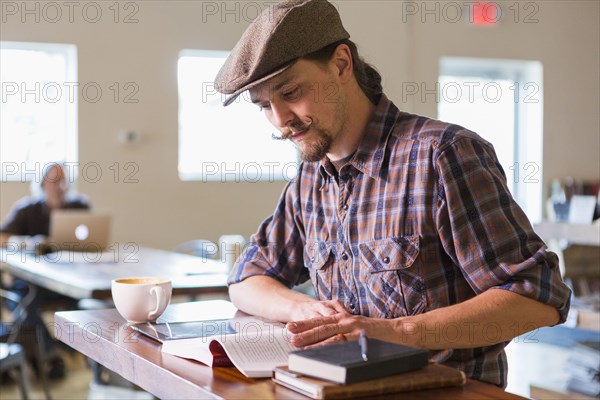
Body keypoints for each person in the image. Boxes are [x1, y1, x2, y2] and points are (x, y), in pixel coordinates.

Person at [214, 0, 572, 388]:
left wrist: (397, 332)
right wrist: (307, 309)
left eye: (291, 92)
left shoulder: (441, 155)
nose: (280, 120)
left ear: (341, 64)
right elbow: (246, 279)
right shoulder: (310, 179)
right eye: (264, 105)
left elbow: (538, 299)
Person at [0, 162, 89, 379]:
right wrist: (30, 242)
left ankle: (77, 354)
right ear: (42, 183)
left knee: (89, 305)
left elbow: (94, 237)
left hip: (68, 282)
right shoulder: (27, 209)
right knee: (25, 305)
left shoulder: (79, 206)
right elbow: (2, 237)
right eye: (55, 180)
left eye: (64, 180)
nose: (60, 186)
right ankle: (51, 357)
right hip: (31, 284)